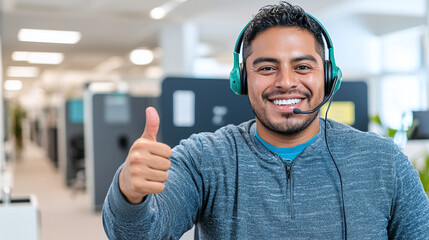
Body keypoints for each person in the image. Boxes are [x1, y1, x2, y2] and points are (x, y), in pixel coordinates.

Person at [102, 1, 429, 239]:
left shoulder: (384, 161)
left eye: (302, 66)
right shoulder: (205, 157)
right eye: (267, 67)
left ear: (328, 77)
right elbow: (138, 235)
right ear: (242, 80)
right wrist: (131, 193)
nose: (286, 82)